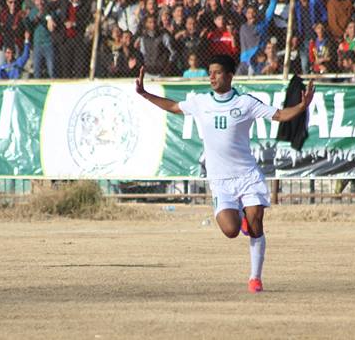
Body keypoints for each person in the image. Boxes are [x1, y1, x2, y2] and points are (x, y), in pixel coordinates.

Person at [135, 55, 314, 293]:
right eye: (210, 72)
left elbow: (279, 115)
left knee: (256, 222)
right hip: (220, 180)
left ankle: (255, 278)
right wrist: (145, 94)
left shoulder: (245, 103)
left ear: (230, 76)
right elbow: (173, 107)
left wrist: (302, 106)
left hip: (247, 175)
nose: (212, 77)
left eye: (217, 72)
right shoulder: (201, 102)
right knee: (230, 230)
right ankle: (240, 219)